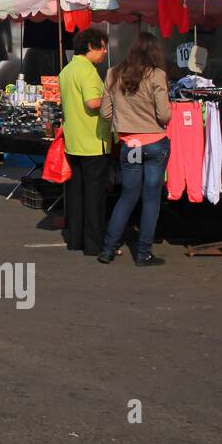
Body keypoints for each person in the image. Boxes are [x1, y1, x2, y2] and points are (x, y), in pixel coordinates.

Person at [99, 32, 172, 266]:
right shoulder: (157, 75)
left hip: (130, 144)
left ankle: (108, 249)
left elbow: (105, 113)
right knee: (151, 199)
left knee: (127, 196)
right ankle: (143, 253)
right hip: (154, 143)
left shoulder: (113, 73)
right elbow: (164, 115)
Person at [59, 27, 111, 256]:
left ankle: (75, 240)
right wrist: (114, 100)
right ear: (91, 46)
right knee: (95, 197)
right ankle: (94, 244)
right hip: (93, 141)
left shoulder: (68, 69)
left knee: (77, 194)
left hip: (74, 141)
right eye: (102, 46)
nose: (105, 52)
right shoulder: (88, 71)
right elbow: (92, 102)